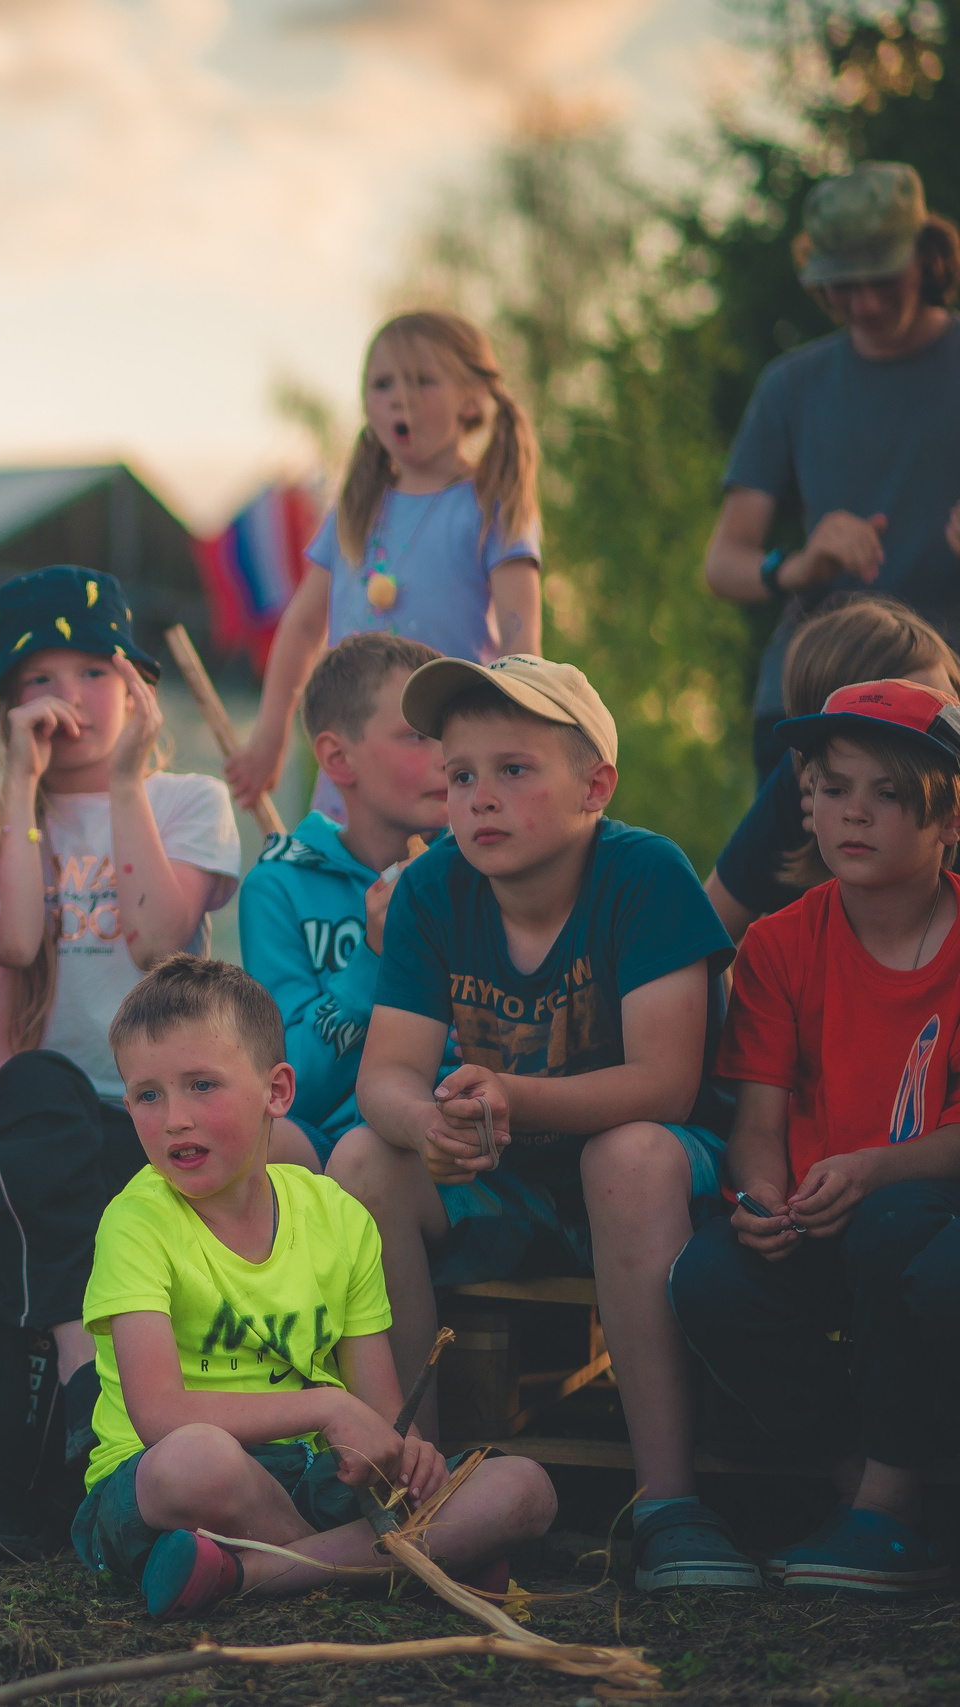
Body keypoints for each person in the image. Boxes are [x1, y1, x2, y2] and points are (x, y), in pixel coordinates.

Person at [336, 655, 755, 1590]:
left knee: (628, 1155)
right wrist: (426, 1122)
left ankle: (669, 1501)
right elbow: (386, 1077)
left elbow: (667, 1084)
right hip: (509, 1180)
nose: (480, 797)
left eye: (514, 769)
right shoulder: (434, 886)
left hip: (660, 1184)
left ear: (595, 787)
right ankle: (417, 1487)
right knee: (364, 1159)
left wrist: (512, 1096)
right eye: (461, 775)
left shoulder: (645, 874)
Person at [0, 562, 264, 1562]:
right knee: (33, 1112)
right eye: (38, 679)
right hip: (32, 1113)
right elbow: (16, 944)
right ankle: (75, 1396)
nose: (66, 697)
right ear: (6, 709)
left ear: (136, 688)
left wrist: (123, 782)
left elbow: (159, 940)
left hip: (150, 1115)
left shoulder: (188, 800)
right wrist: (19, 789)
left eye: (91, 671)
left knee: (14, 1216)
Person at [71, 956, 556, 1620]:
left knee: (524, 1488)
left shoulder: (337, 1218)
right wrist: (326, 1407)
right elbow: (159, 1415)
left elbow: (379, 1416)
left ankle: (252, 1574)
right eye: (148, 1095)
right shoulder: (134, 1222)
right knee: (196, 1461)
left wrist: (404, 1453)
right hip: (166, 1482)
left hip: (313, 1476)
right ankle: (397, 1566)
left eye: (202, 1085)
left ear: (276, 1091)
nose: (175, 1117)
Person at [672, 679, 960, 1594]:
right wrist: (764, 1198)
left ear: (950, 819)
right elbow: (758, 1123)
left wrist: (873, 1169)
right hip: (826, 1216)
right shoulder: (778, 943)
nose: (854, 813)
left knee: (896, 1228)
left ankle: (891, 1506)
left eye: (888, 793)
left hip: (928, 1228)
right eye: (834, 789)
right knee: (710, 1276)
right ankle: (859, 1491)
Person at [227, 311, 541, 819]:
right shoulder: (354, 507)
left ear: (471, 400)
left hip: (446, 766)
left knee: (427, 873)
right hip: (352, 770)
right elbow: (303, 625)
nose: (400, 398)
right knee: (334, 869)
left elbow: (521, 640)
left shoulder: (491, 505)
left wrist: (513, 746)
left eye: (422, 381)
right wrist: (269, 734)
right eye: (382, 384)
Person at [700, 164, 960, 772]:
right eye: (843, 285)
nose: (864, 303)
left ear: (924, 257)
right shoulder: (791, 385)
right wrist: (799, 564)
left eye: (882, 277)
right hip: (812, 700)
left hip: (942, 700)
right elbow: (724, 562)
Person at [239, 631, 448, 1162]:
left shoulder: (482, 871)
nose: (448, 756)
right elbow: (291, 1088)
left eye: (451, 733)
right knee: (260, 1141)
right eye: (417, 736)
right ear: (337, 759)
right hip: (329, 1150)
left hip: (454, 1132)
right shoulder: (277, 888)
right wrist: (373, 955)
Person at [706, 596, 960, 938]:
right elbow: (700, 935)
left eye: (951, 709)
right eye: (836, 789)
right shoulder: (794, 790)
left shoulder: (947, 801)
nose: (949, 734)